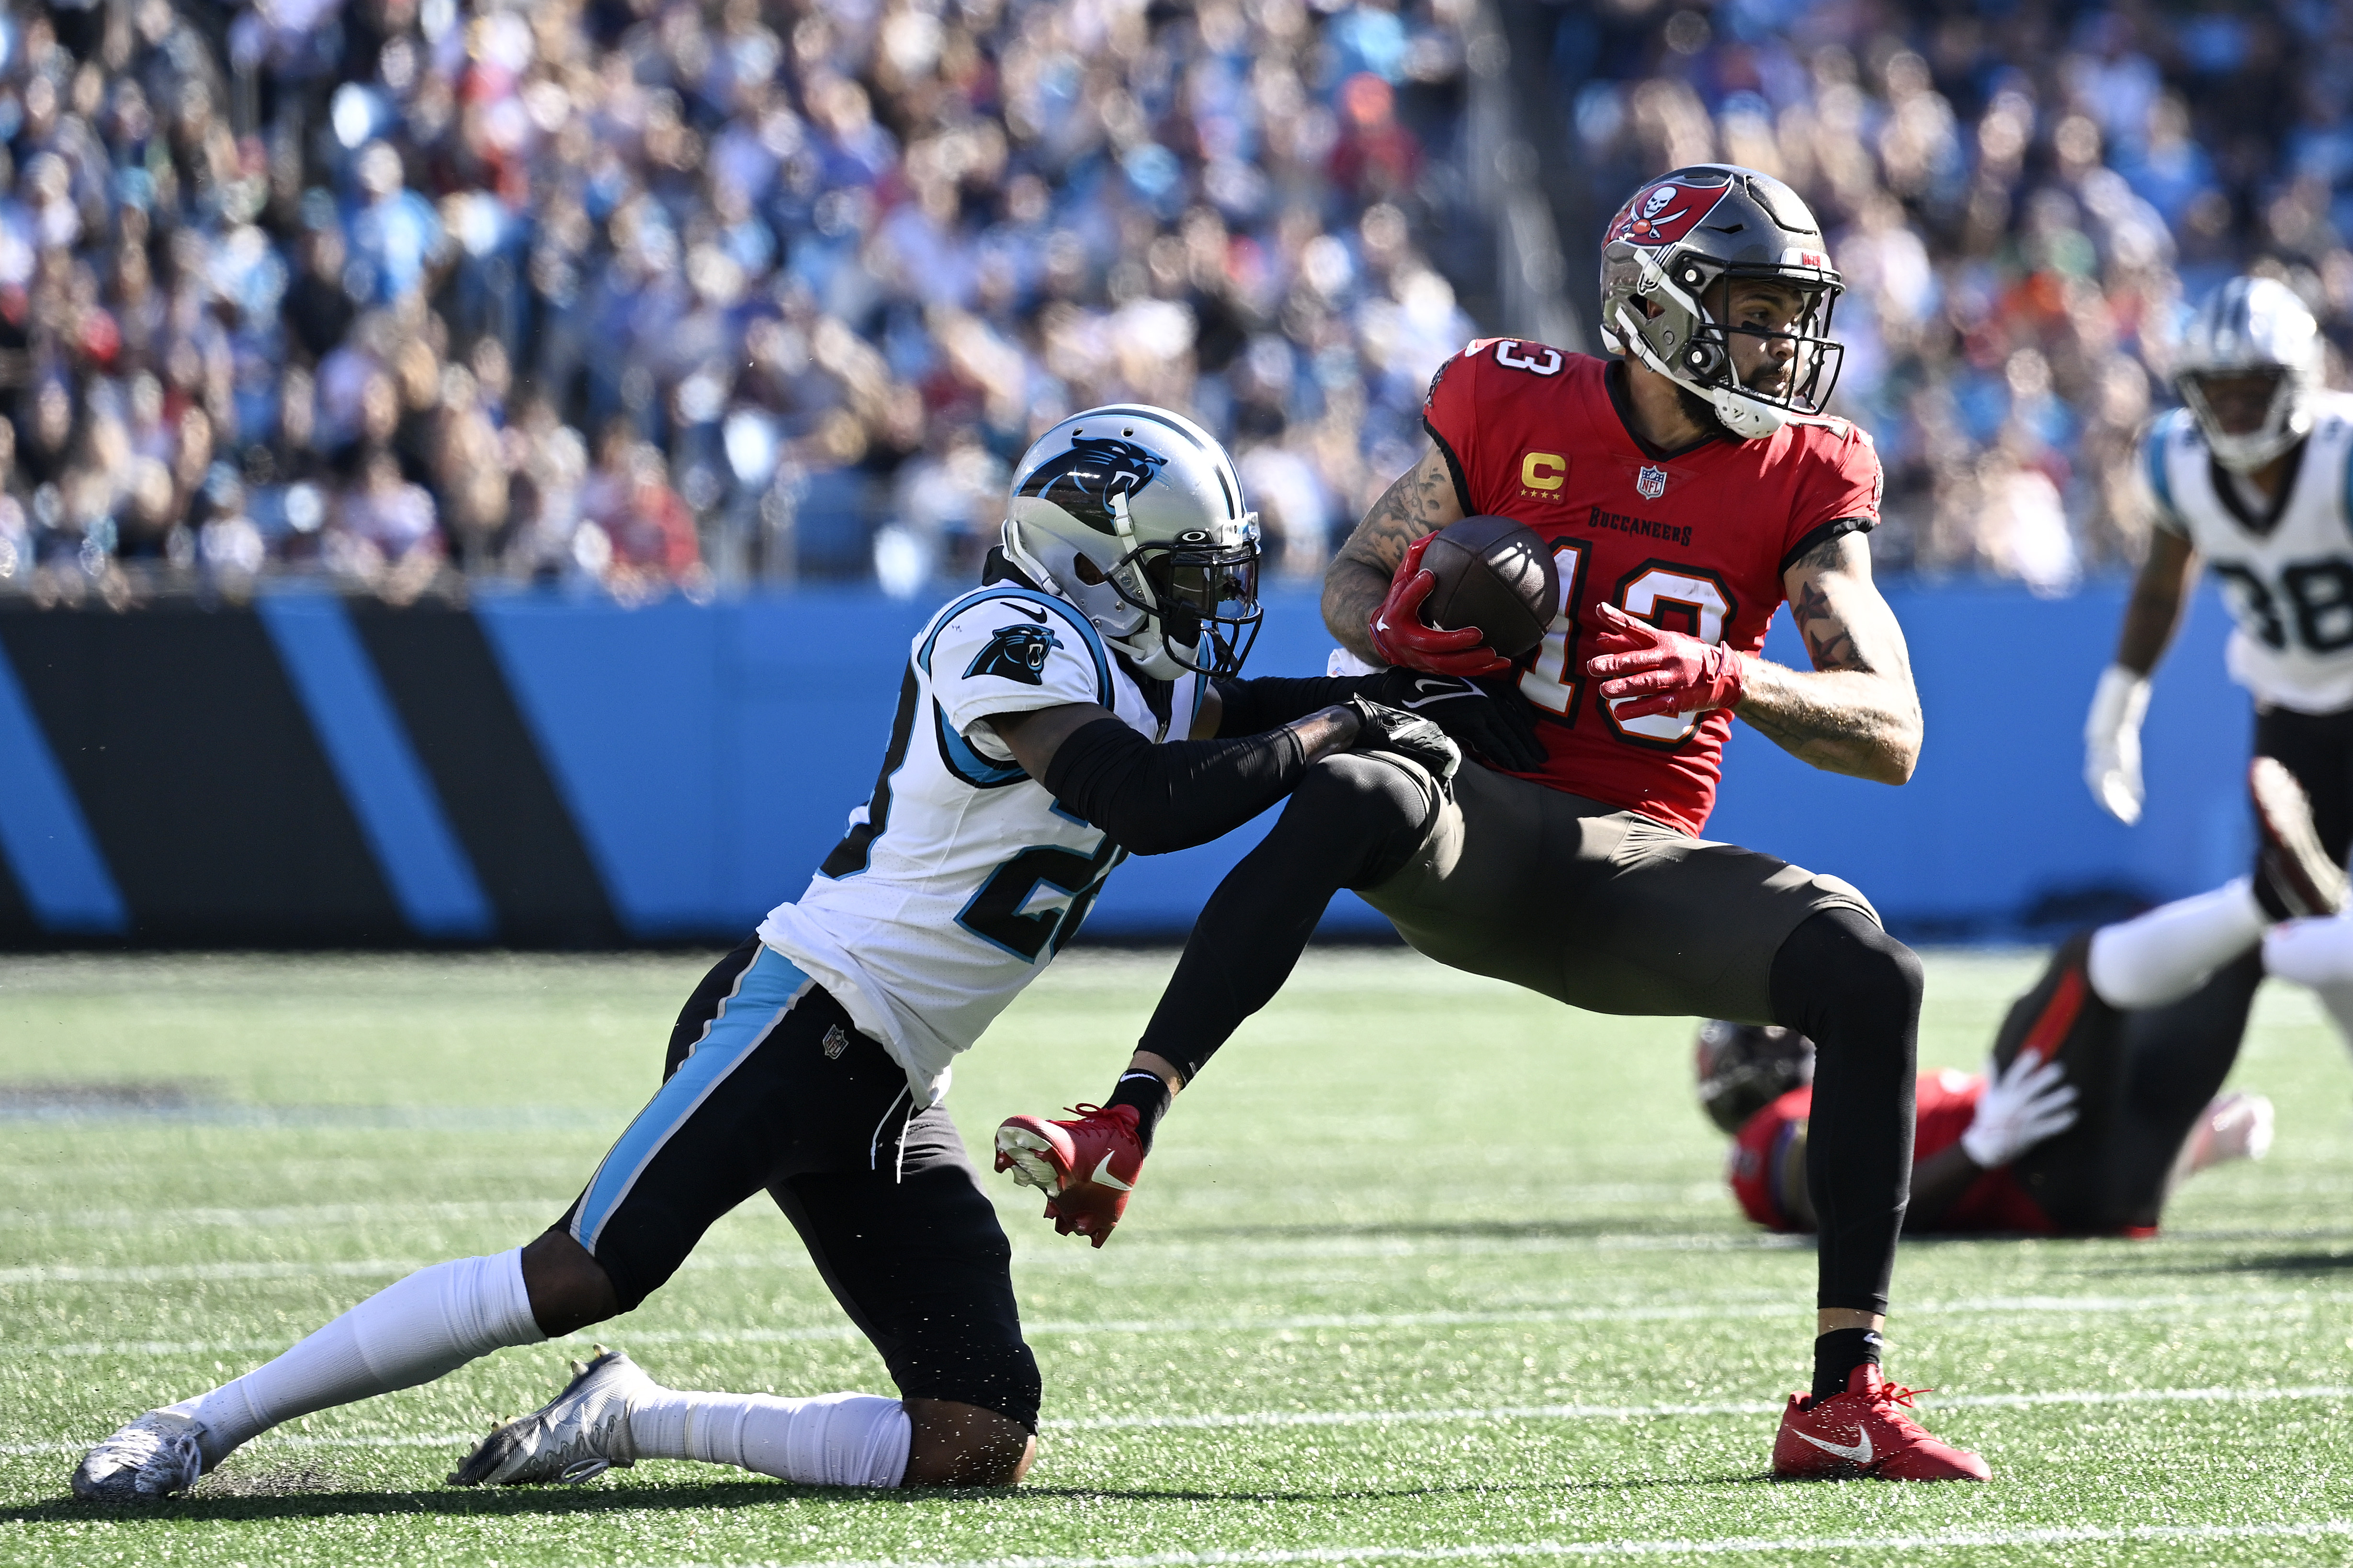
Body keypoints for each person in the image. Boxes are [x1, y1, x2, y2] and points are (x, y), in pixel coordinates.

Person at [69, 404, 1508, 1501]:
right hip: (799, 1009)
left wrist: (1418, 686)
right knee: (578, 1266)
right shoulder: (1000, 633)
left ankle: (631, 1414)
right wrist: (1343, 725)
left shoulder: (1125, 662)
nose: (1208, 602)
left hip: (892, 1074)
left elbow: (1259, 703)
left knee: (974, 1433)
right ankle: (202, 1420)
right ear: (1097, 558)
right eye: (1187, 573)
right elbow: (1157, 796)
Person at [995, 166, 1986, 1482]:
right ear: (1655, 304)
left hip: (1639, 861)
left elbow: (1893, 729)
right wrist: (1415, 631)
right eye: (1751, 314)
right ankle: (1124, 1117)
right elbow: (1355, 588)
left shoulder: (1809, 469)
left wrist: (1727, 675)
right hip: (1470, 817)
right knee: (1356, 777)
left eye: (1788, 315)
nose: (1780, 347)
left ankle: (1840, 1396)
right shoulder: (1510, 401)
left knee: (1871, 970)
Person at [2078, 275, 2353, 1091]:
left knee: (2310, 933)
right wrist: (2115, 708)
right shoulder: (2172, 458)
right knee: (2304, 923)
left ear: (2296, 381)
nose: (2232, 410)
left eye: (2252, 388)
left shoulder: (2340, 455)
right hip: (2288, 714)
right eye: (2215, 390)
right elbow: (2163, 585)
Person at [1701, 989, 2273, 1240]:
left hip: (2076, 1182)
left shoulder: (1821, 1102)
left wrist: (2194, 1145)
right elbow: (1836, 1208)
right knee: (2086, 964)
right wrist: (1979, 1150)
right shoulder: (1773, 1132)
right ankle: (2259, 911)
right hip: (2042, 1177)